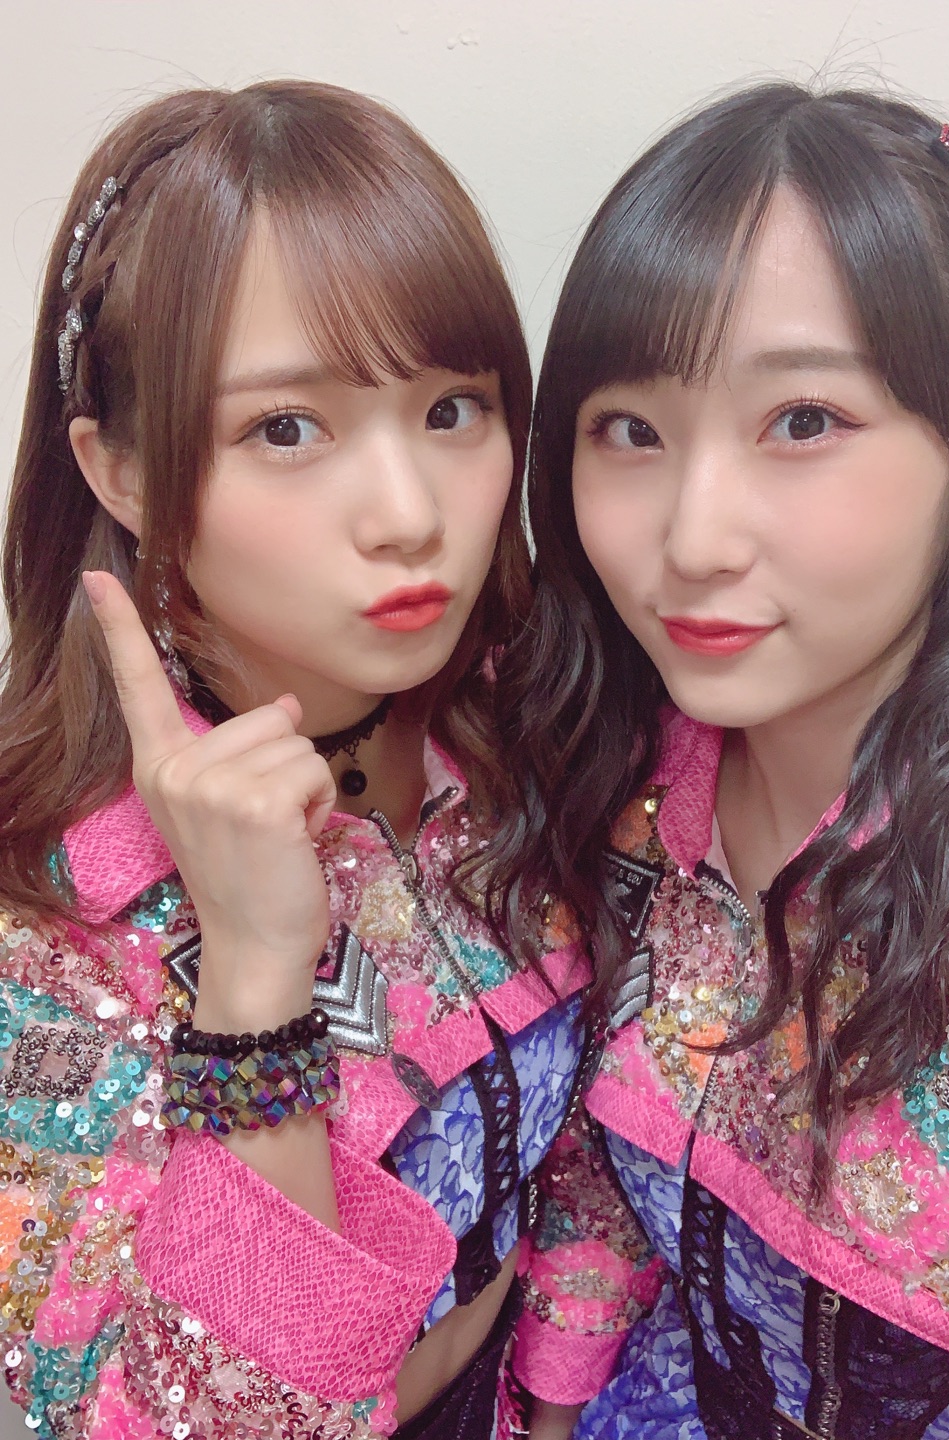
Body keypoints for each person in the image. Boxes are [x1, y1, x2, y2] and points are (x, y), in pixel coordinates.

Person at [0, 80, 587, 1438]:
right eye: (286, 428)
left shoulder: (519, 716)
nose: (409, 514)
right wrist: (256, 982)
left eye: (454, 409)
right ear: (121, 472)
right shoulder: (51, 926)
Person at [496, 84, 949, 1437]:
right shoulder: (630, 790)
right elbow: (597, 1179)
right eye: (632, 431)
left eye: (803, 420)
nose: (694, 539)